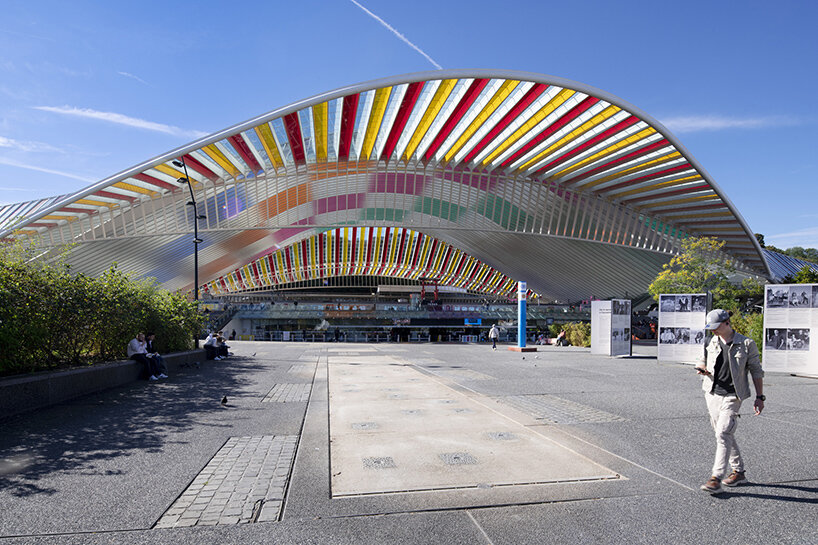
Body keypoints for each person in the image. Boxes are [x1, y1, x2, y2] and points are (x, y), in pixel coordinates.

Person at [695, 309, 764, 494]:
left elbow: (756, 371)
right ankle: (739, 472)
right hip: (712, 394)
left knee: (723, 432)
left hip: (733, 395)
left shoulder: (747, 344)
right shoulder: (711, 341)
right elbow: (702, 359)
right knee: (722, 434)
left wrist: (759, 397)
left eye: (716, 327)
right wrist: (701, 367)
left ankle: (715, 477)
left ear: (727, 323)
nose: (713, 331)